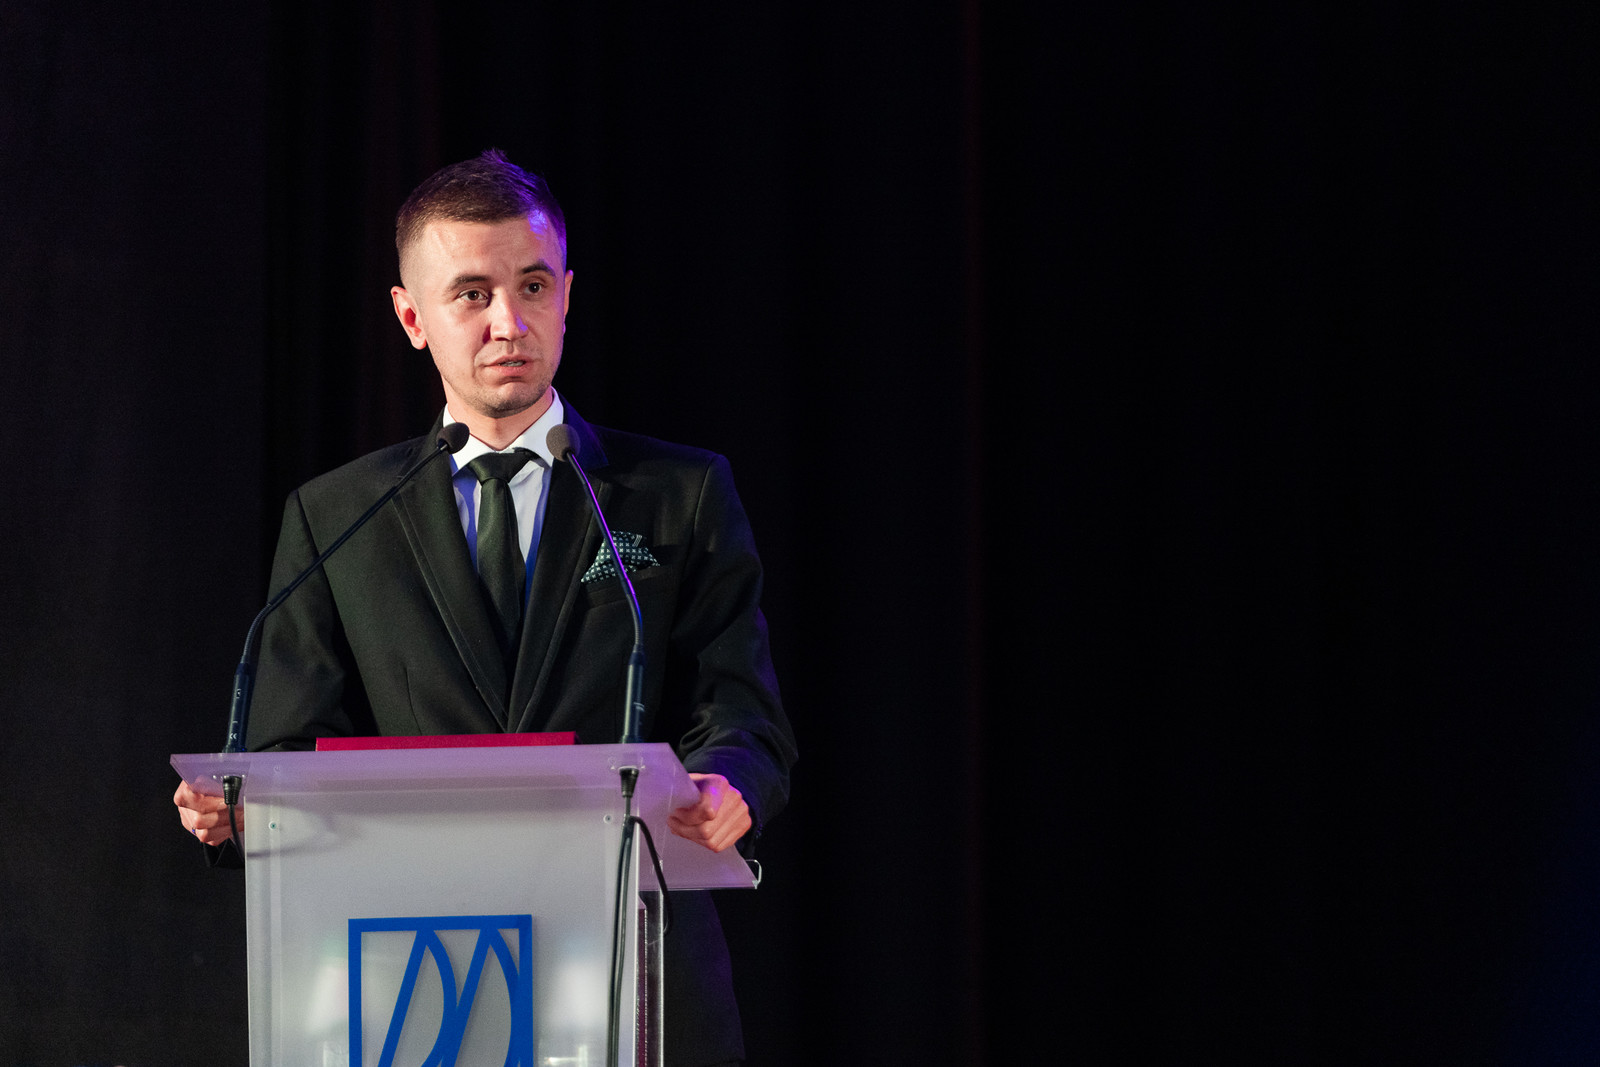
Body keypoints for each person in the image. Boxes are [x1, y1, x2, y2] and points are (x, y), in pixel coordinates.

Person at [173, 149, 796, 1066]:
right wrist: (242, 808)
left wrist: (727, 781)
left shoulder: (679, 494)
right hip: (418, 971)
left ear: (568, 295)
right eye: (472, 294)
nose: (510, 322)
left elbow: (741, 708)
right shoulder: (338, 517)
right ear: (411, 317)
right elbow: (285, 747)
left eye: (533, 285)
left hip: (636, 961)